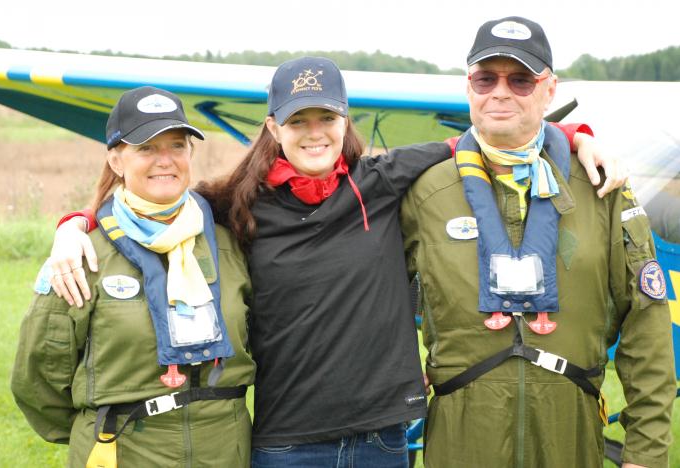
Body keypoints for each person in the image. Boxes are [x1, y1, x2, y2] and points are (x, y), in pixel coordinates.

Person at [46, 58, 624, 467]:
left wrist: (572, 136)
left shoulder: (387, 180)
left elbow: (497, 137)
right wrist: (77, 224)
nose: (315, 132)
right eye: (298, 120)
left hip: (383, 440)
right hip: (286, 443)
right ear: (274, 128)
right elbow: (156, 202)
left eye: (326, 117)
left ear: (346, 120)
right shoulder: (235, 204)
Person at [401, 16, 676, 468]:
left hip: (570, 431)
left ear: (550, 89)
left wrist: (645, 453)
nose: (501, 92)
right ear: (468, 86)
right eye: (486, 78)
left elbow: (645, 326)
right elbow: (375, 301)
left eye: (521, 80)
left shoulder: (601, 188)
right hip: (462, 435)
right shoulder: (424, 191)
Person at [11, 86, 255, 467]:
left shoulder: (230, 240)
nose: (165, 160)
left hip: (224, 451)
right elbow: (38, 375)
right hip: (123, 449)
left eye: (177, 145)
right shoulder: (83, 252)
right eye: (146, 148)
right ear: (116, 160)